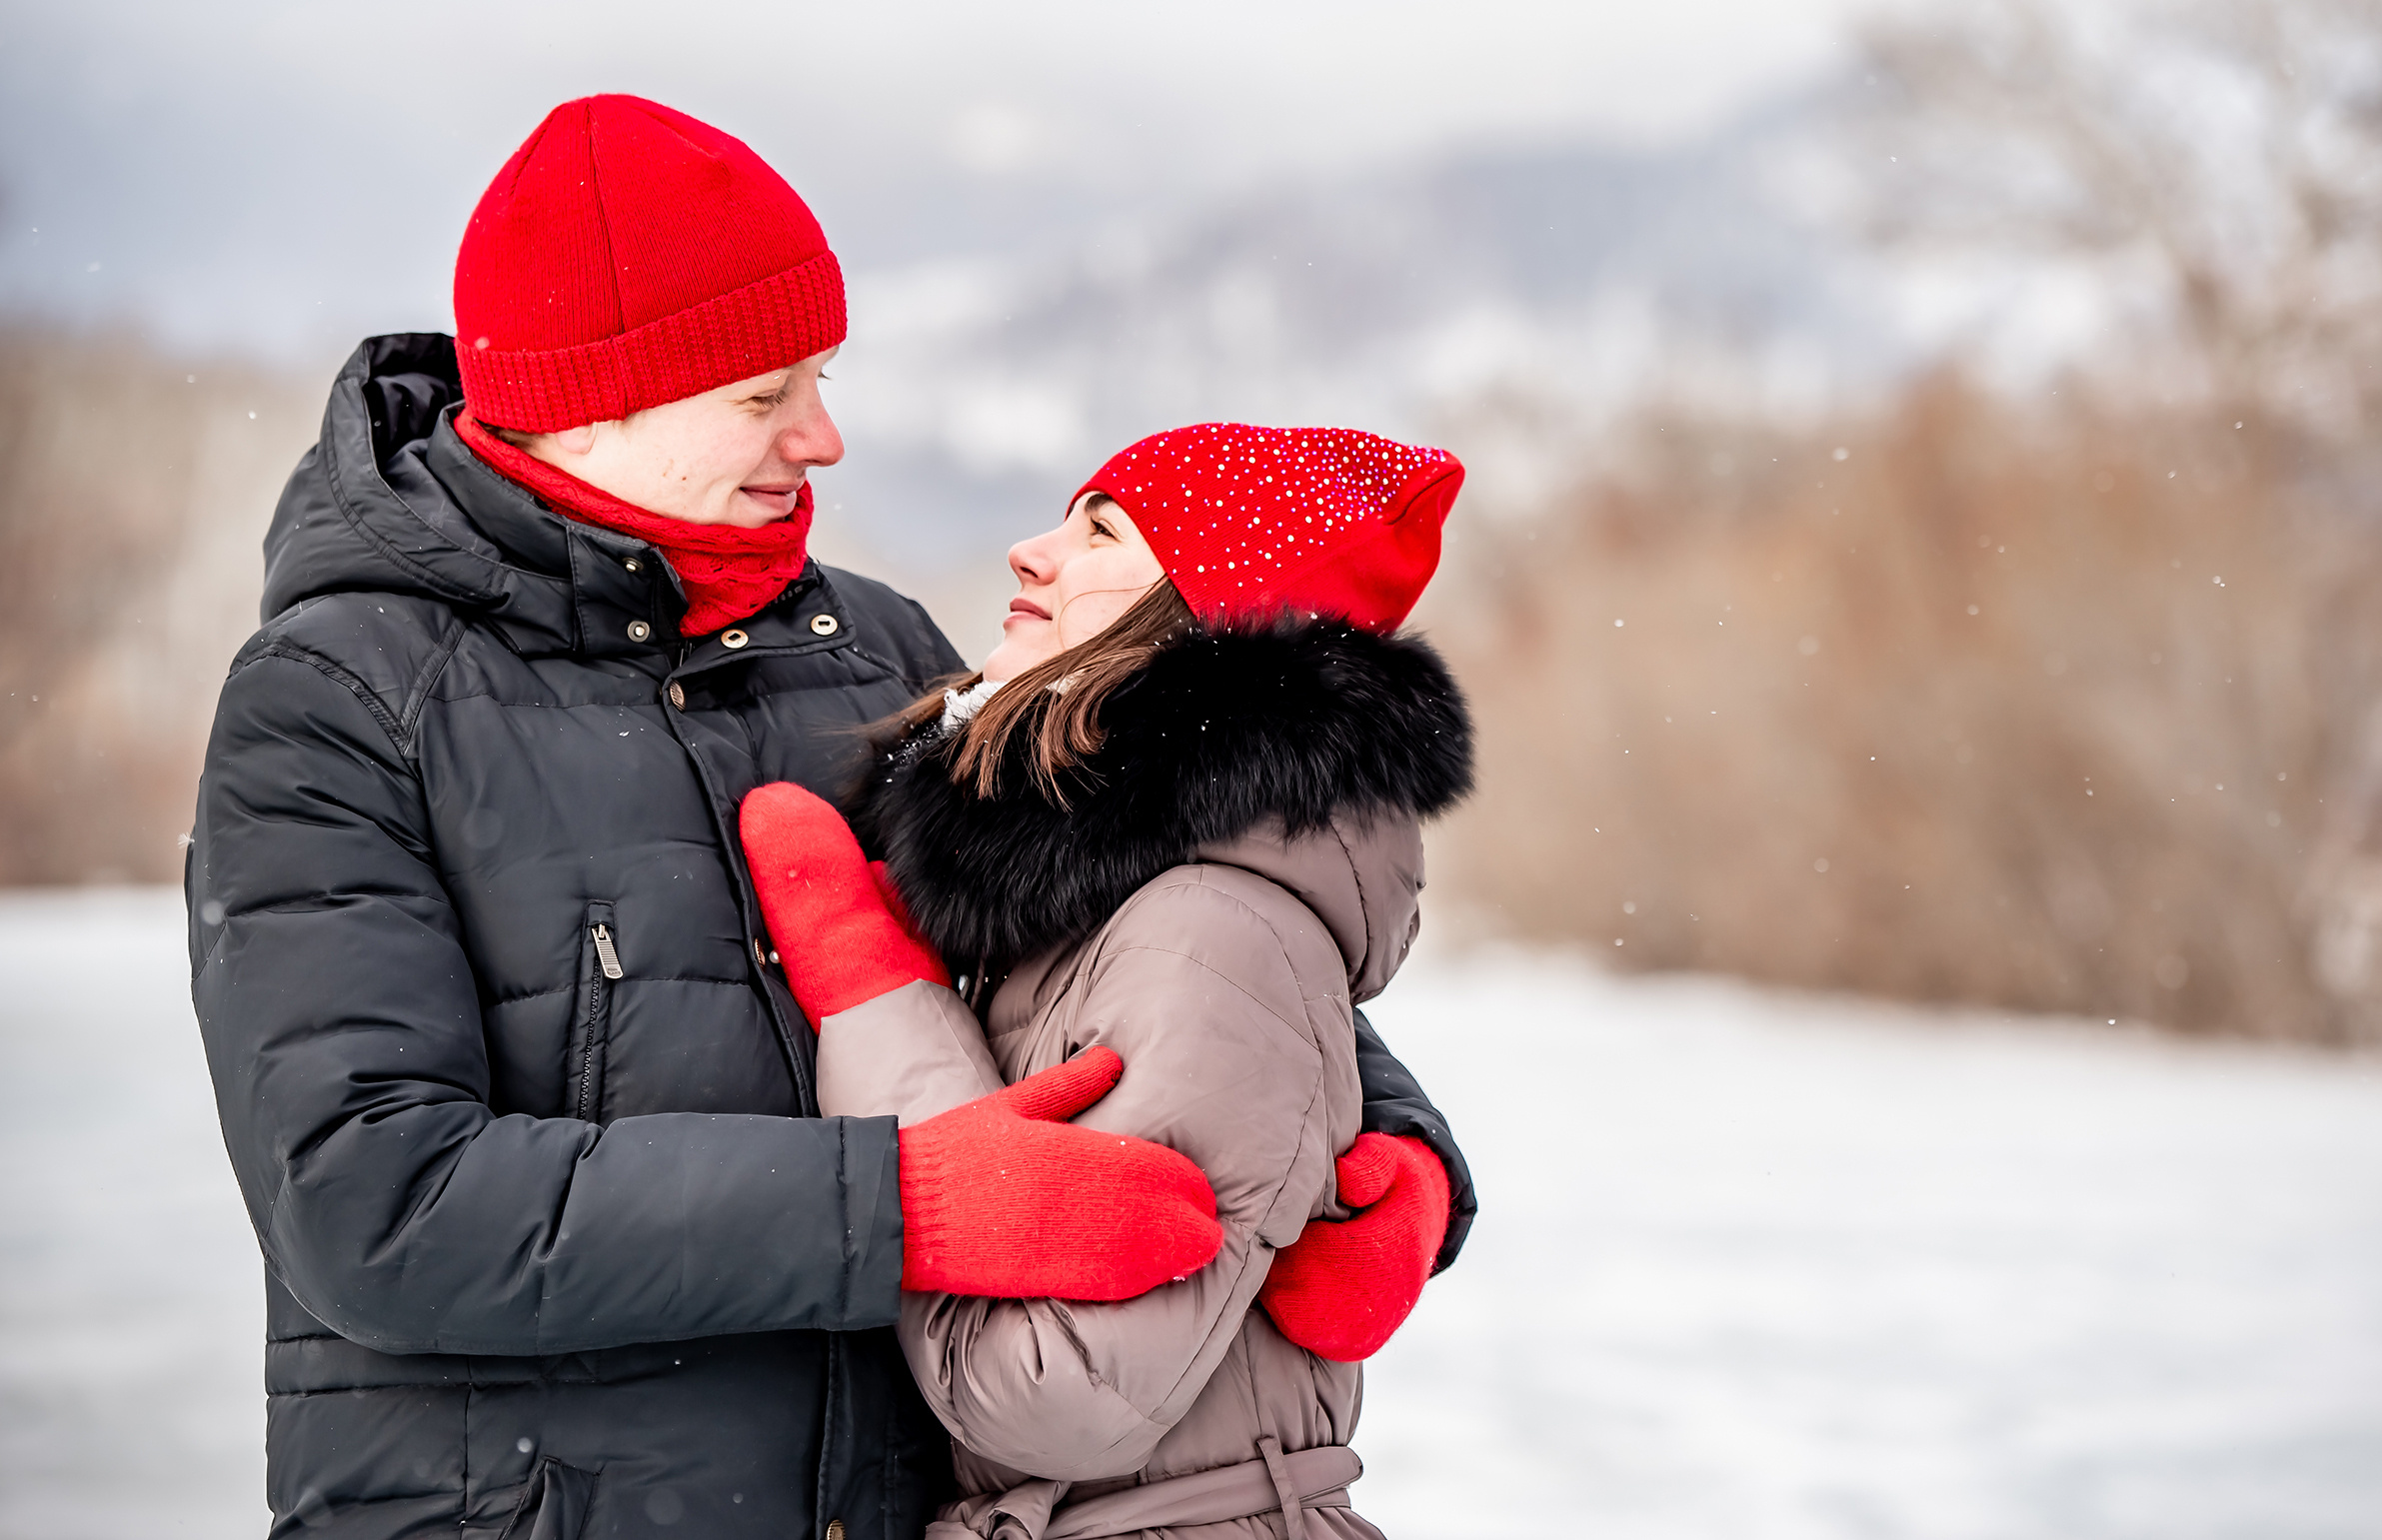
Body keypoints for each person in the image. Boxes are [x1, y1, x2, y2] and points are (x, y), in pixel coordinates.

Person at [186, 95, 1474, 1540]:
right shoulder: (345, 700)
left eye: (821, 379)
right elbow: (375, 1207)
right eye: (763, 397)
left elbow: (1164, 931)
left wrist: (1404, 1150)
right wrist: (902, 1205)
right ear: (595, 400)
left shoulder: (870, 655)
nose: (824, 435)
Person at [737, 422, 1473, 1538]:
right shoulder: (1087, 890)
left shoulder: (1202, 925)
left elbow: (1055, 1393)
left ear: (1204, 622)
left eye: (1102, 533)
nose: (1030, 551)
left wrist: (877, 995)